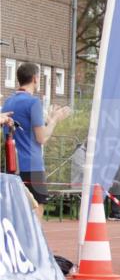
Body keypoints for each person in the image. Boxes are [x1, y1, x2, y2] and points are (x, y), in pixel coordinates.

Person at [2, 62, 71, 210]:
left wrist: (47, 119)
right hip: (32, 166)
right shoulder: (33, 102)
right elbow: (42, 138)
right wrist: (54, 120)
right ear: (35, 78)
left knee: (17, 211)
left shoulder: (8, 102)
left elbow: (23, 127)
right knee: (37, 209)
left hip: (12, 165)